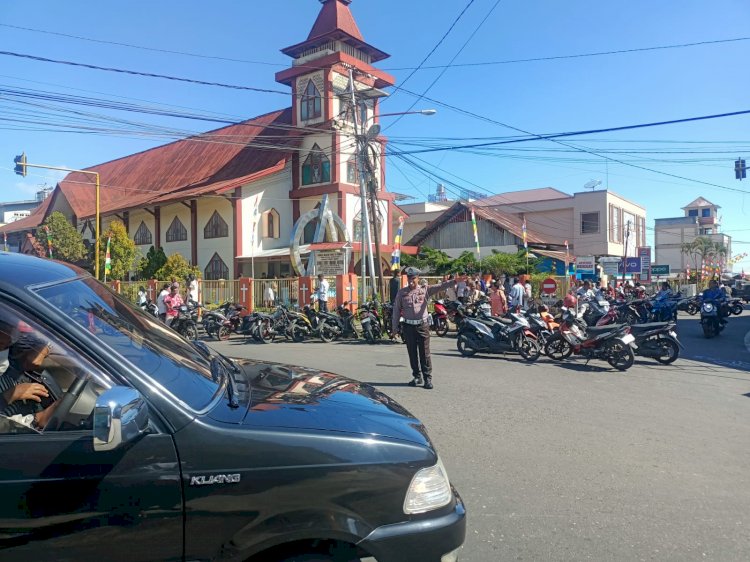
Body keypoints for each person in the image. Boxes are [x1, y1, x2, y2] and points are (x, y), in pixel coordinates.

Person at [392, 268, 464, 390]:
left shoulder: (425, 290)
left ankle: (427, 378)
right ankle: (417, 376)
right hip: (408, 326)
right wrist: (394, 328)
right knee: (412, 352)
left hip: (422, 325)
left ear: (418, 278)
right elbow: (396, 310)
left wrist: (454, 281)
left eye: (413, 278)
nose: (411, 281)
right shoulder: (402, 293)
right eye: (409, 278)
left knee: (424, 353)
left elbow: (441, 286)